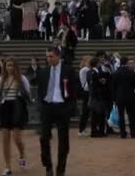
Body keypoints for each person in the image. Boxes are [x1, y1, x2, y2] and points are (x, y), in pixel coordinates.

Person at [37, 47, 77, 176]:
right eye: (47, 56)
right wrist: (41, 105)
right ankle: (48, 165)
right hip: (47, 107)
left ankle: (61, 169)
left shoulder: (68, 70)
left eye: (51, 56)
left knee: (63, 140)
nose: (48, 59)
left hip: (62, 107)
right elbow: (40, 90)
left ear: (58, 56)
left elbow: (75, 90)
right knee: (44, 138)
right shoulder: (43, 71)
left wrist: (69, 107)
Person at [0, 57, 31, 176]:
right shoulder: (1, 79)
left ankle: (22, 155)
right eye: (8, 65)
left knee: (17, 138)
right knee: (5, 139)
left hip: (17, 107)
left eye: (12, 65)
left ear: (16, 66)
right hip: (5, 107)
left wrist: (22, 93)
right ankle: (7, 166)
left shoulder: (22, 78)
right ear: (5, 67)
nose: (10, 68)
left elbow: (28, 93)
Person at [112, 58, 135, 138]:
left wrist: (114, 98)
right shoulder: (130, 72)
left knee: (121, 116)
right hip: (130, 96)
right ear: (127, 63)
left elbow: (113, 87)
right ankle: (133, 133)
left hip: (119, 97)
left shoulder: (116, 73)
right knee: (131, 115)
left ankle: (123, 133)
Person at [88, 56, 110, 137]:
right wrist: (101, 82)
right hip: (97, 97)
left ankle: (99, 131)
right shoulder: (93, 72)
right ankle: (95, 131)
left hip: (97, 96)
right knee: (97, 115)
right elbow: (95, 84)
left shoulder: (95, 72)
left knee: (99, 115)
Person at [78, 57, 92, 137]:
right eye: (89, 61)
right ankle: (81, 129)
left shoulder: (84, 69)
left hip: (86, 90)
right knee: (85, 111)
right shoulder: (85, 69)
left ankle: (82, 128)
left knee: (86, 111)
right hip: (86, 91)